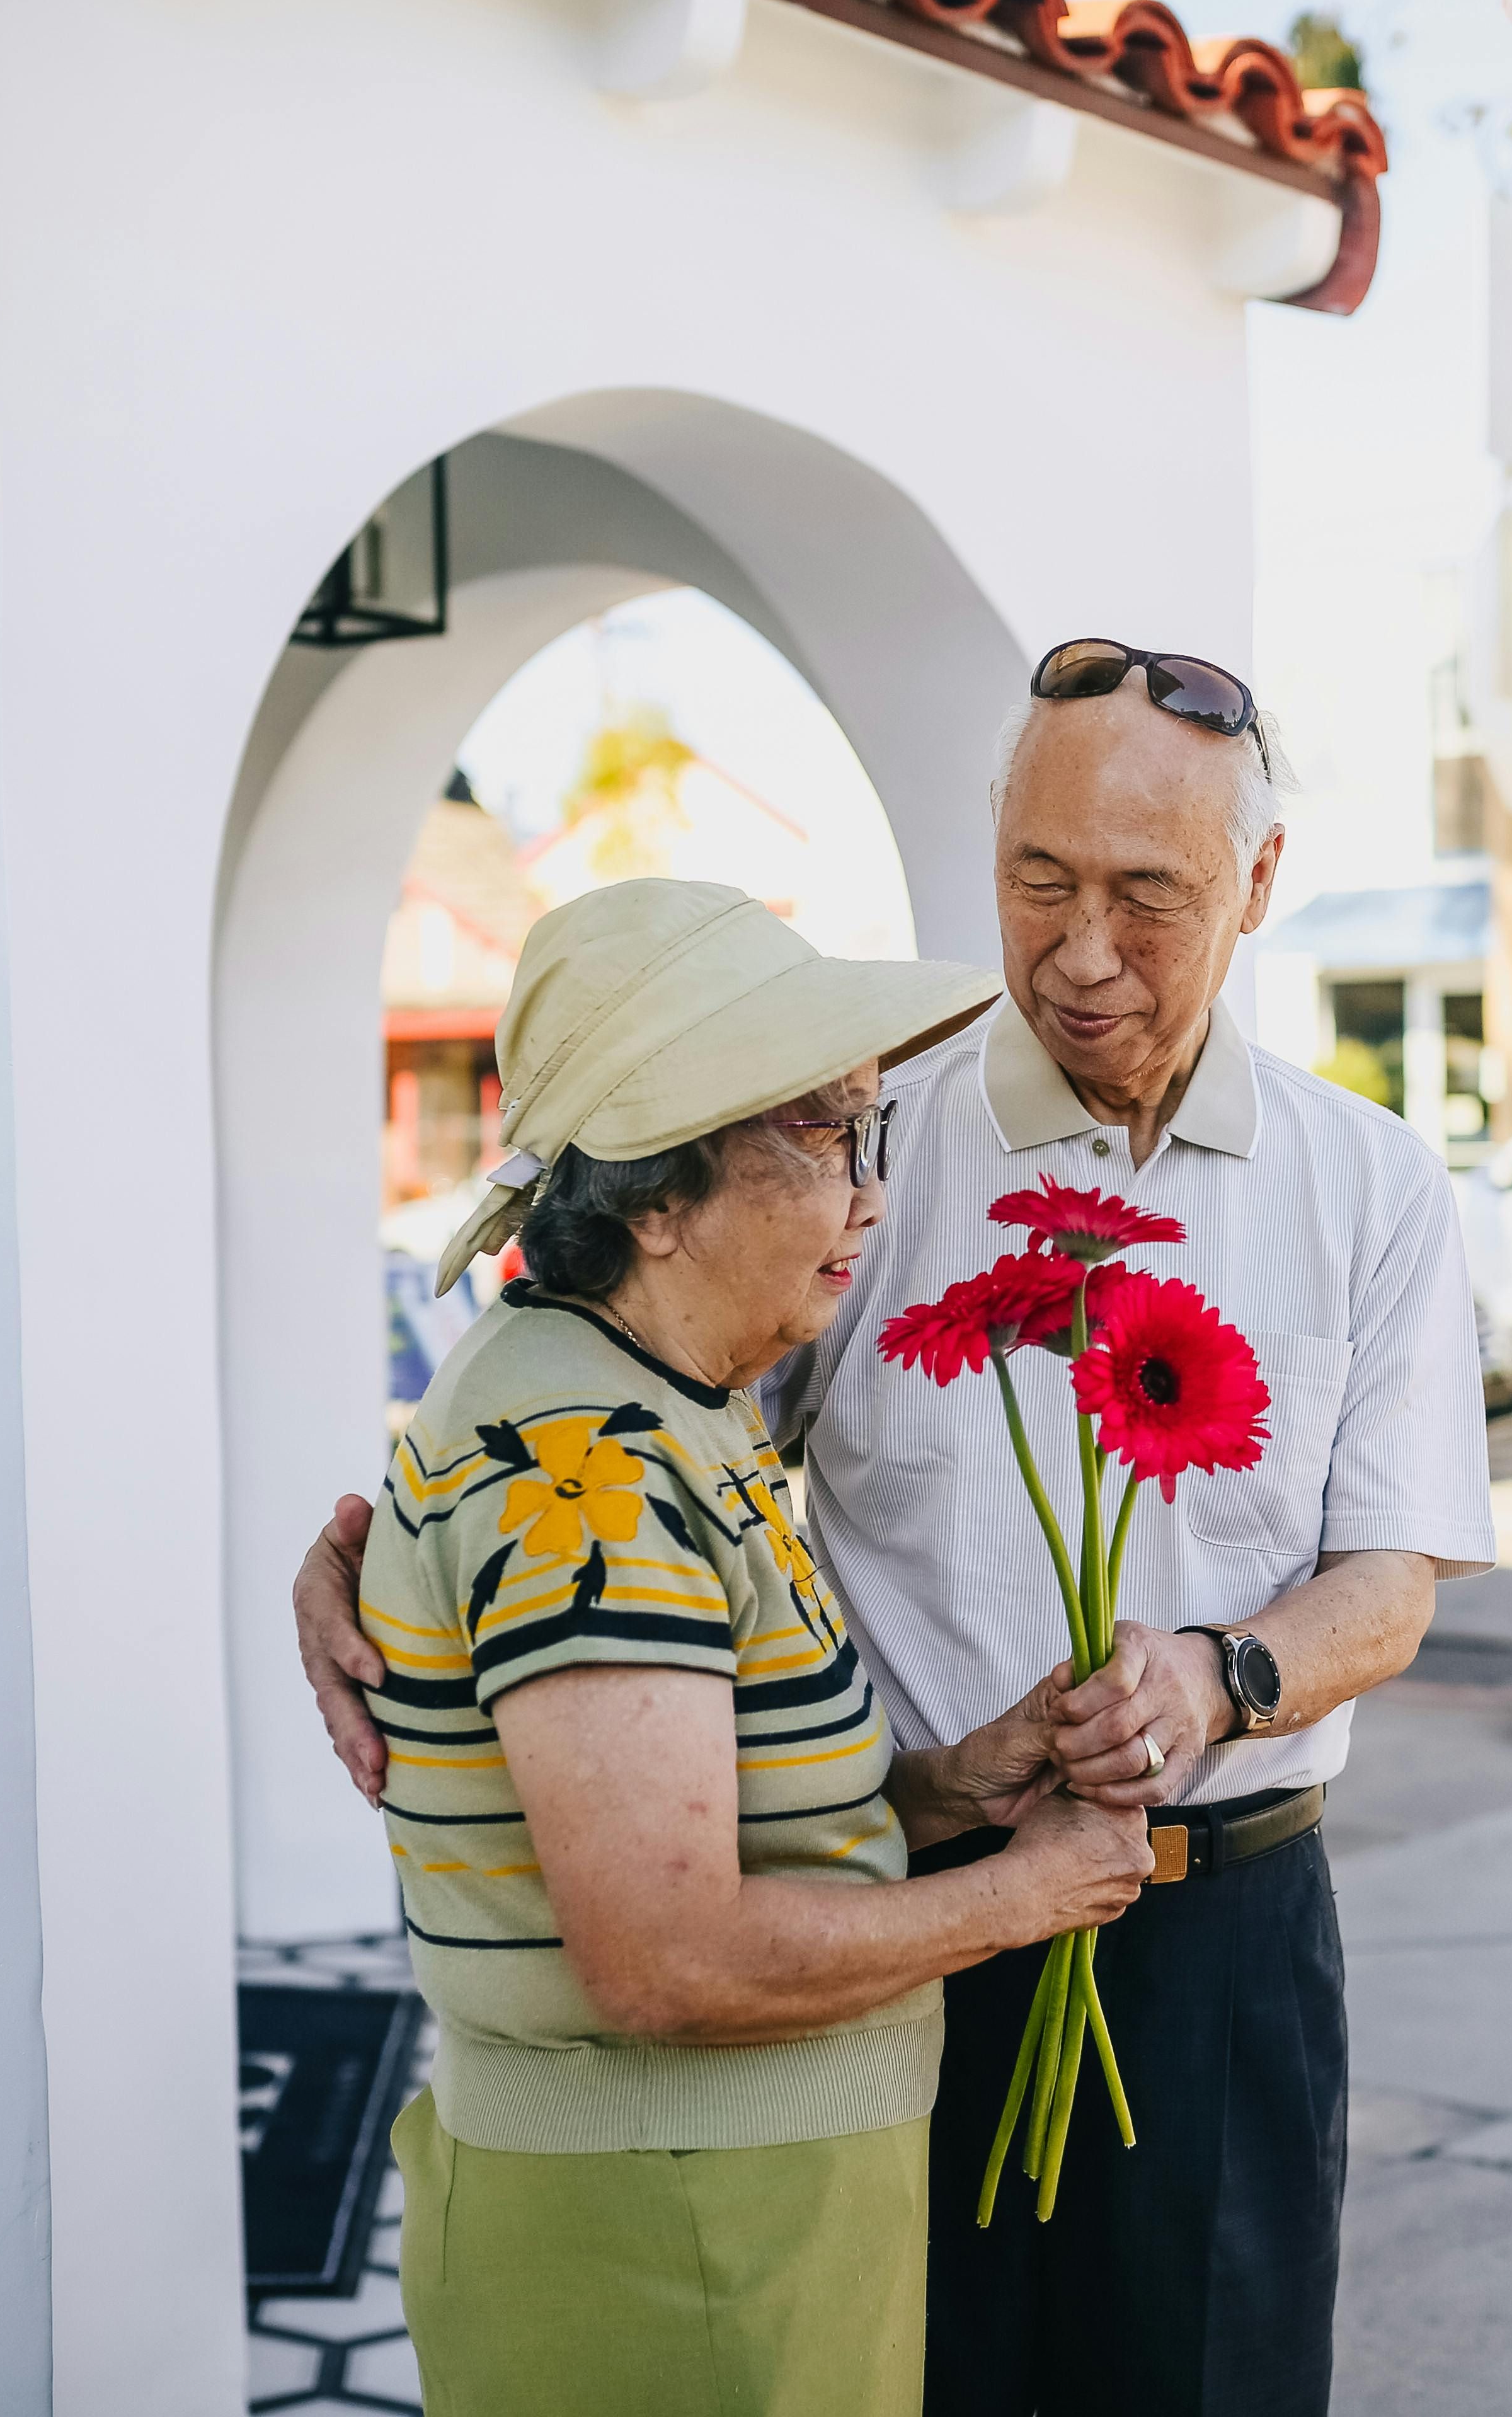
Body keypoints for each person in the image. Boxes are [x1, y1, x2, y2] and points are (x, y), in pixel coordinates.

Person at [300, 637, 1497, 2417]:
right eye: (1038, 879)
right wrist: (380, 1552)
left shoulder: (1370, 1184)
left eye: (1146, 896)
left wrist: (1218, 1676)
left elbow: (1389, 1580)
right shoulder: (849, 1144)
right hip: (897, 1911)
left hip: (1221, 1945)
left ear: (1256, 883)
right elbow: (627, 1409)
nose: (1079, 951)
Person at [355, 876, 1156, 2417]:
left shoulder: (657, 1403)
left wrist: (949, 1784)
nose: (870, 1195)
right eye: (821, 1132)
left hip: (729, 2223)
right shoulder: (583, 1468)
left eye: (871, 1128)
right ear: (653, 1200)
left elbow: (717, 1814)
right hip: (672, 2251)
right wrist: (1025, 1894)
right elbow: (664, 1956)